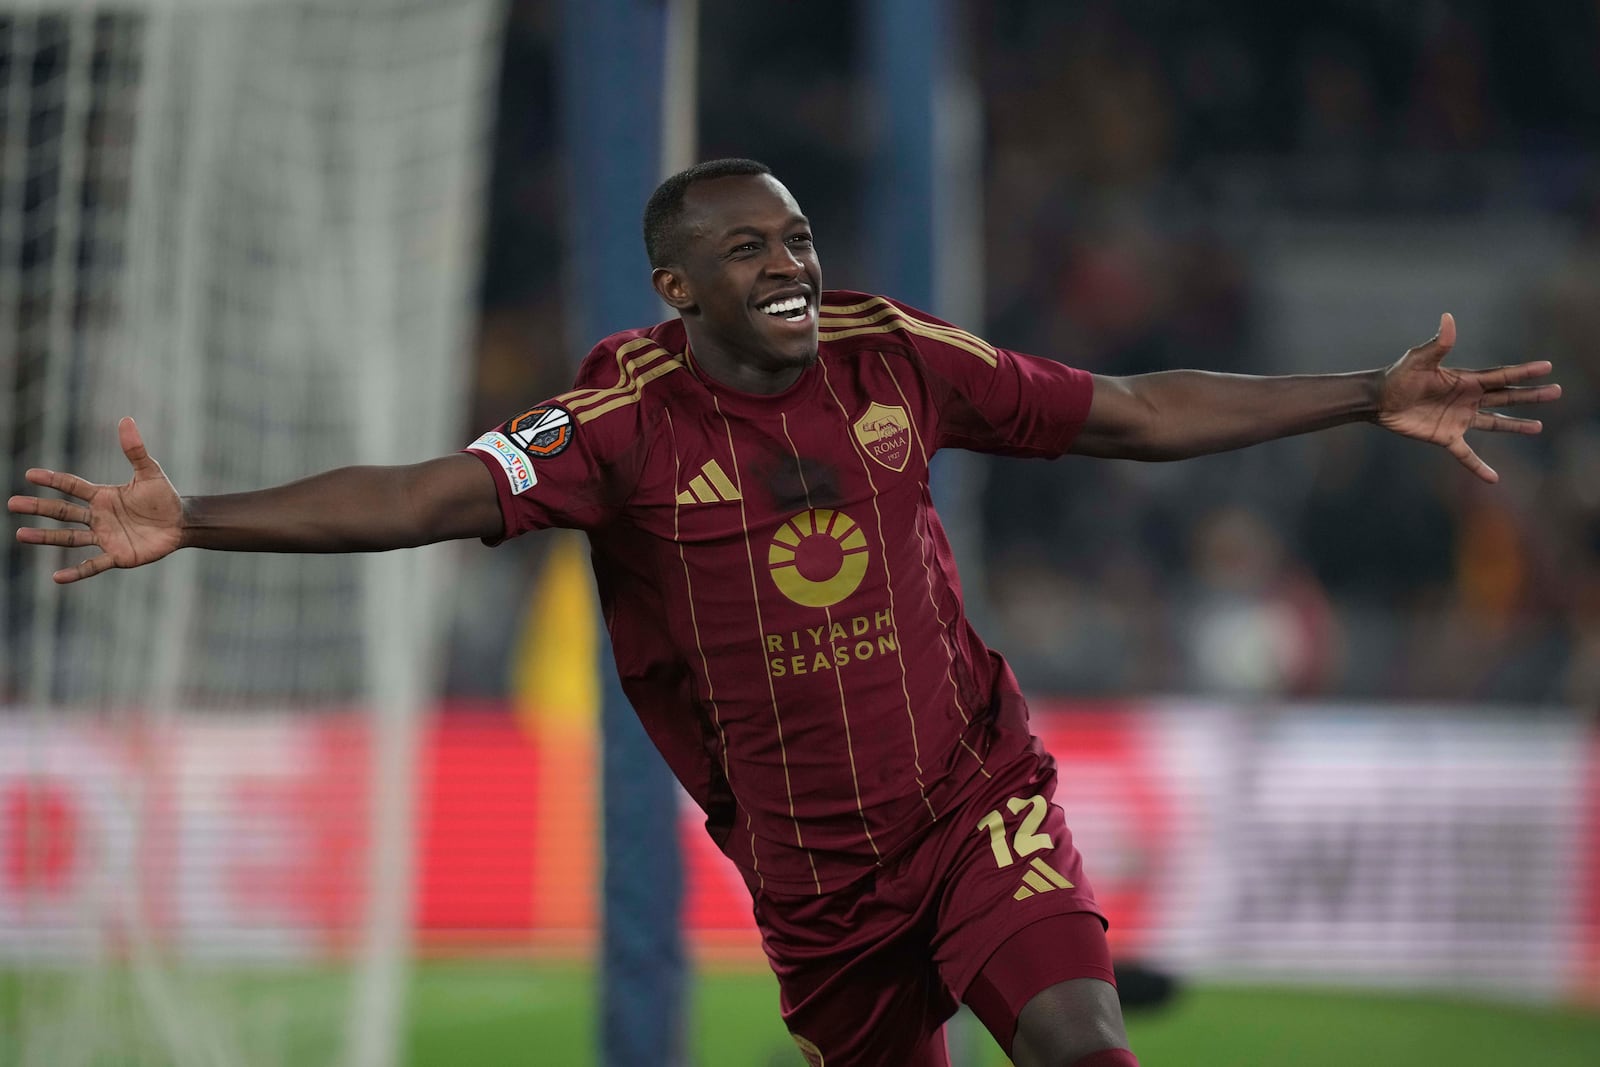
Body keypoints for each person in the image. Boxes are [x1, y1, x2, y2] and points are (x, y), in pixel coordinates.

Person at [9, 158, 1559, 1067]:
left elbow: (1136, 411)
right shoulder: (614, 421)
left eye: (800, 238)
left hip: (971, 796)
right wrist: (195, 517)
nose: (792, 264)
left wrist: (1367, 393)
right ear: (679, 290)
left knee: (1082, 1041)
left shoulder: (897, 356)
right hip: (813, 869)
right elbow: (428, 497)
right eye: (749, 249)